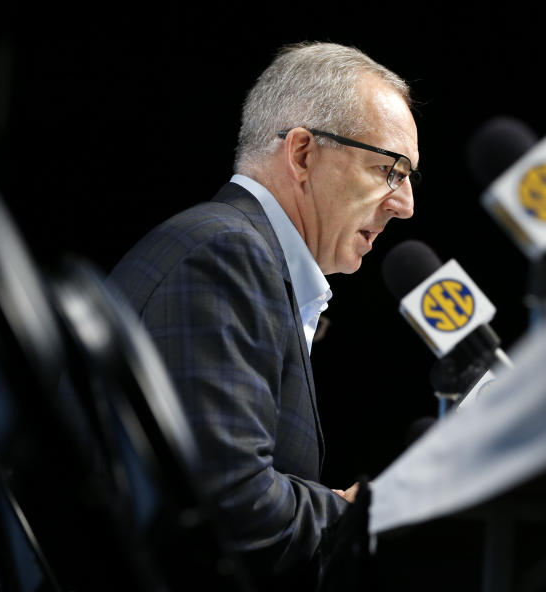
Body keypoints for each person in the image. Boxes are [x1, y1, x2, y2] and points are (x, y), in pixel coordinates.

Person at [107, 41, 419, 589]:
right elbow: (234, 510)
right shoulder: (225, 254)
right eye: (389, 169)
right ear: (302, 154)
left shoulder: (236, 251)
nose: (405, 203)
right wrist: (353, 513)